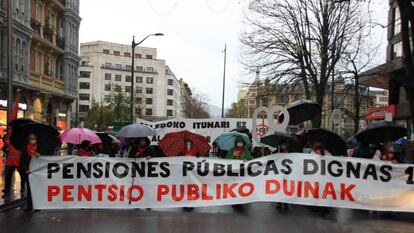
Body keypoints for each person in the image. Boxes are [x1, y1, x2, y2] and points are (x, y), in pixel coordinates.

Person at [2, 134, 26, 200]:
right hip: (10, 161)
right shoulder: (6, 136)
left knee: (22, 176)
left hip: (19, 161)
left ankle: (22, 189)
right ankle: (6, 192)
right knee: (8, 177)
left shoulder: (21, 136)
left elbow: (25, 148)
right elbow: (4, 147)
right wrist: (5, 149)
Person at [20, 133, 40, 211]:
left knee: (37, 188)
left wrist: (39, 155)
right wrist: (26, 169)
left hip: (37, 171)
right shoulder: (25, 148)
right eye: (31, 139)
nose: (33, 140)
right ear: (28, 140)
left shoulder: (39, 147)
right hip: (28, 172)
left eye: (34, 138)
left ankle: (37, 205)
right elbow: (21, 160)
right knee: (30, 189)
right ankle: (30, 206)